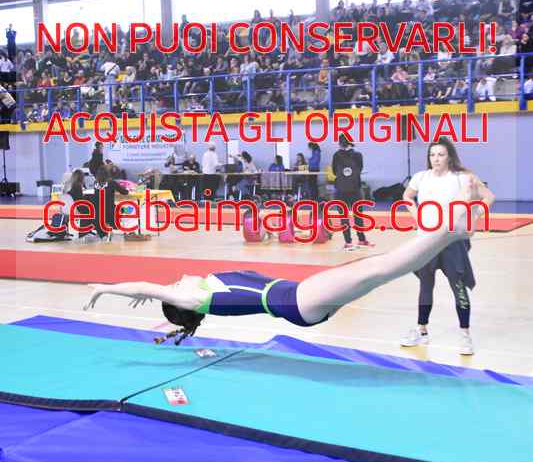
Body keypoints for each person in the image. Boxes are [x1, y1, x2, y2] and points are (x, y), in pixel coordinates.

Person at [84, 178, 482, 344]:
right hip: (297, 301)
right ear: (181, 301)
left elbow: (152, 289)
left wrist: (155, 295)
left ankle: (449, 234)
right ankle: (450, 230)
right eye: (172, 288)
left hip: (300, 299)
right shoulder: (195, 297)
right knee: (380, 268)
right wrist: (105, 288)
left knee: (379, 267)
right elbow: (146, 286)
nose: (177, 279)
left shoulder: (200, 289)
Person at [400, 137, 495, 356]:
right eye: (432, 155)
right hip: (427, 240)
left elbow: (488, 196)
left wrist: (474, 217)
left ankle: (465, 334)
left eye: (441, 155)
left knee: (458, 287)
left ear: (449, 157)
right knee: (425, 286)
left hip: (452, 242)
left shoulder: (462, 178)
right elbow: (407, 196)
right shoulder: (421, 177)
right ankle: (422, 330)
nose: (436, 159)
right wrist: (416, 214)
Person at [332, 135, 374, 250]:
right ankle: (361, 239)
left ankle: (348, 242)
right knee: (358, 216)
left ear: (339, 143)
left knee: (344, 217)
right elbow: (359, 170)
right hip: (355, 189)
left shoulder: (336, 155)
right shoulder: (357, 155)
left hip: (341, 190)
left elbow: (334, 172)